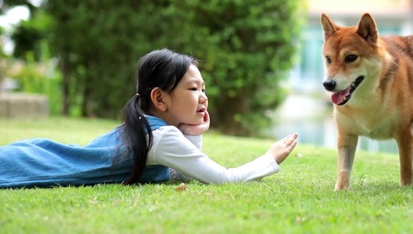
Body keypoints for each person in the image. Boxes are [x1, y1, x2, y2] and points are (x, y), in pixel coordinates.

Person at [0, 48, 298, 189]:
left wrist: (194, 132)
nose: (204, 96)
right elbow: (222, 178)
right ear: (159, 98)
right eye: (193, 88)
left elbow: (180, 171)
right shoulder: (162, 137)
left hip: (32, 152)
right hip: (30, 163)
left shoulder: (146, 129)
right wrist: (269, 158)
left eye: (204, 88)